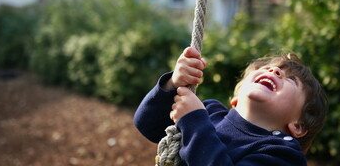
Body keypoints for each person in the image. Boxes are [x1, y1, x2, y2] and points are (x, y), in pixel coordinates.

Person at [134, 47, 327, 165]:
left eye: (291, 80)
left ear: (298, 125)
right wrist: (173, 83)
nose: (274, 70)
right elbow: (147, 125)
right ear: (235, 99)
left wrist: (193, 122)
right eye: (265, 69)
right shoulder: (208, 113)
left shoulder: (281, 154)